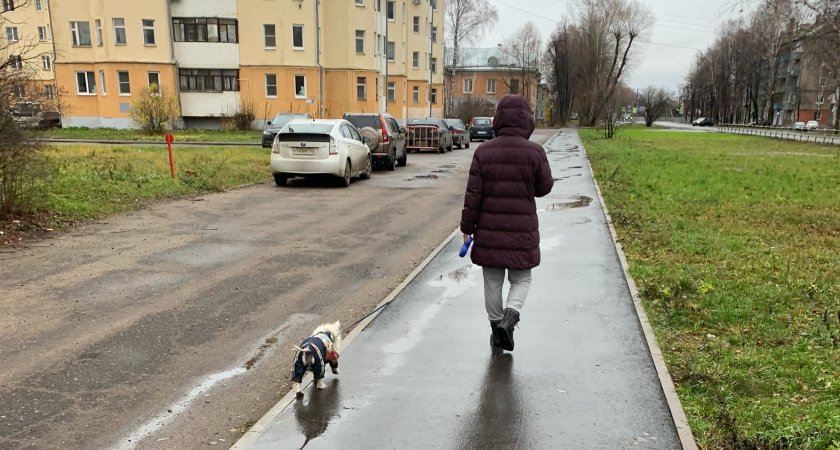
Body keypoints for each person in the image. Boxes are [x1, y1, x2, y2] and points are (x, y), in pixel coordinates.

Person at [460, 95, 554, 351]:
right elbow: (544, 188)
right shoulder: (535, 152)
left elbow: (473, 196)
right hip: (522, 230)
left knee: (492, 282)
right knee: (521, 279)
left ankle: (495, 328)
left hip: (489, 231)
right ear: (527, 120)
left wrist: (467, 229)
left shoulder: (483, 151)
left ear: (499, 118)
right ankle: (510, 319)